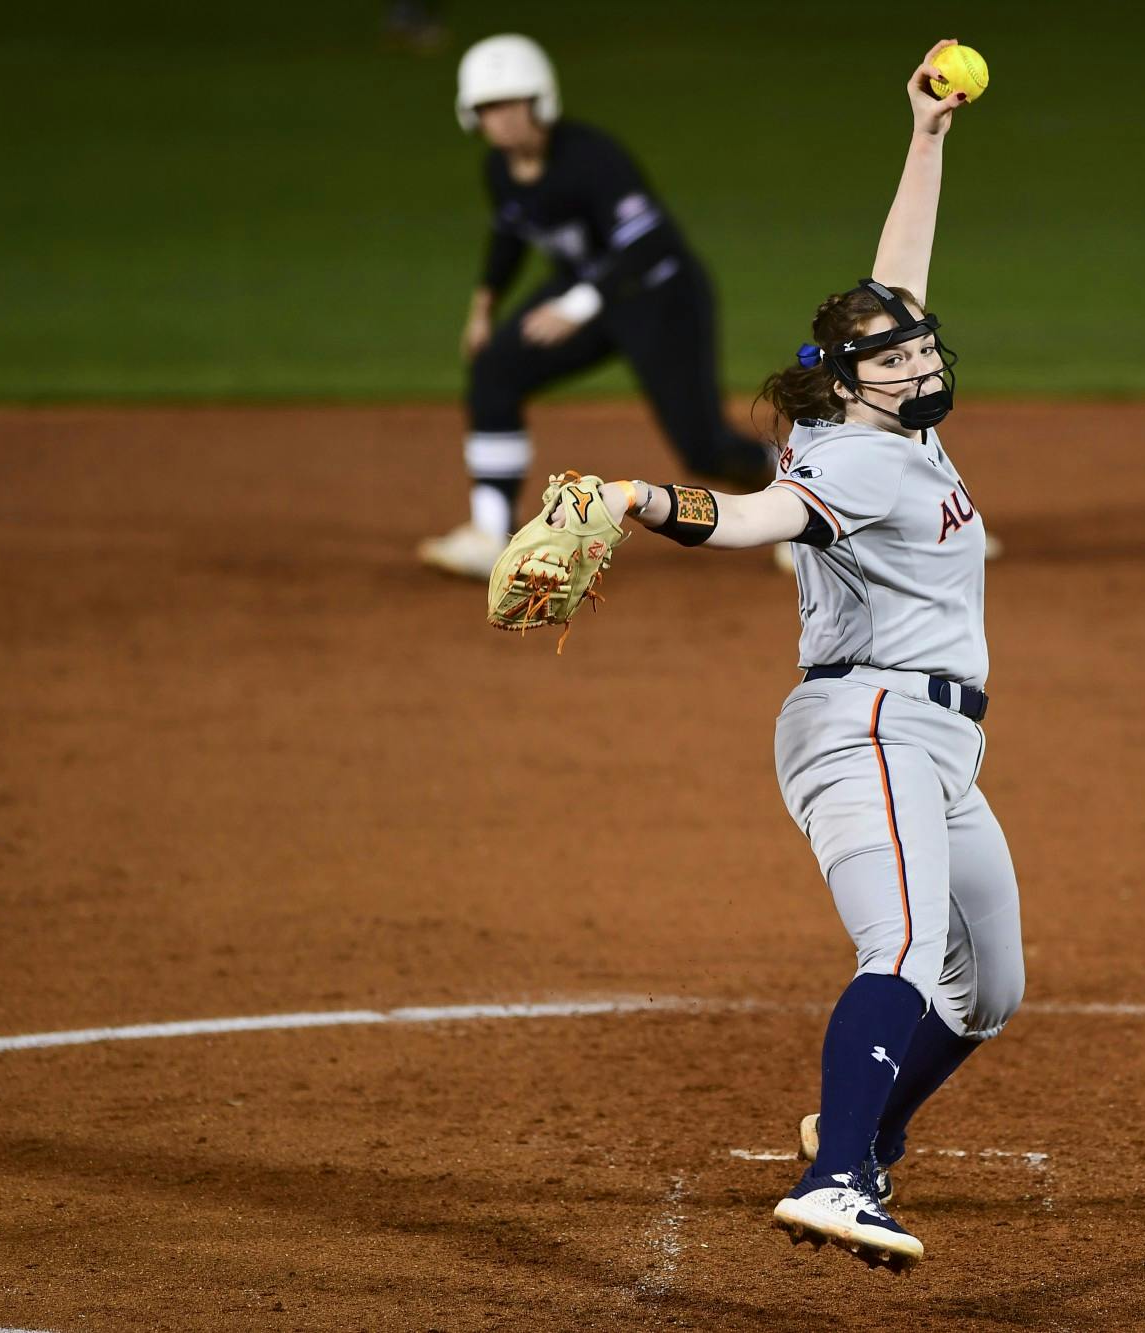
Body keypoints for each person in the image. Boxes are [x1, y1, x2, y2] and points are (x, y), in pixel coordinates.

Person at [545, 40, 1020, 1270]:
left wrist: (925, 137)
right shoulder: (850, 461)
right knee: (905, 949)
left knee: (987, 989)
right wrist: (640, 500)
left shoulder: (873, 414)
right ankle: (837, 1176)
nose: (923, 362)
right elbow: (754, 520)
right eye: (899, 359)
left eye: (922, 349)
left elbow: (892, 283)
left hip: (935, 742)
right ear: (853, 386)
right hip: (866, 727)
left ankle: (864, 1129)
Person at [420, 33, 774, 579]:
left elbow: (650, 243)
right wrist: (483, 307)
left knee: (703, 447)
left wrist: (578, 304)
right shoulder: (498, 170)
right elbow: (510, 235)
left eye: (511, 103)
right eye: (488, 108)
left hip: (661, 299)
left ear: (541, 102)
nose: (501, 119)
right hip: (590, 300)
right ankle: (490, 531)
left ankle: (796, 500)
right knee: (495, 368)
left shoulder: (592, 158)